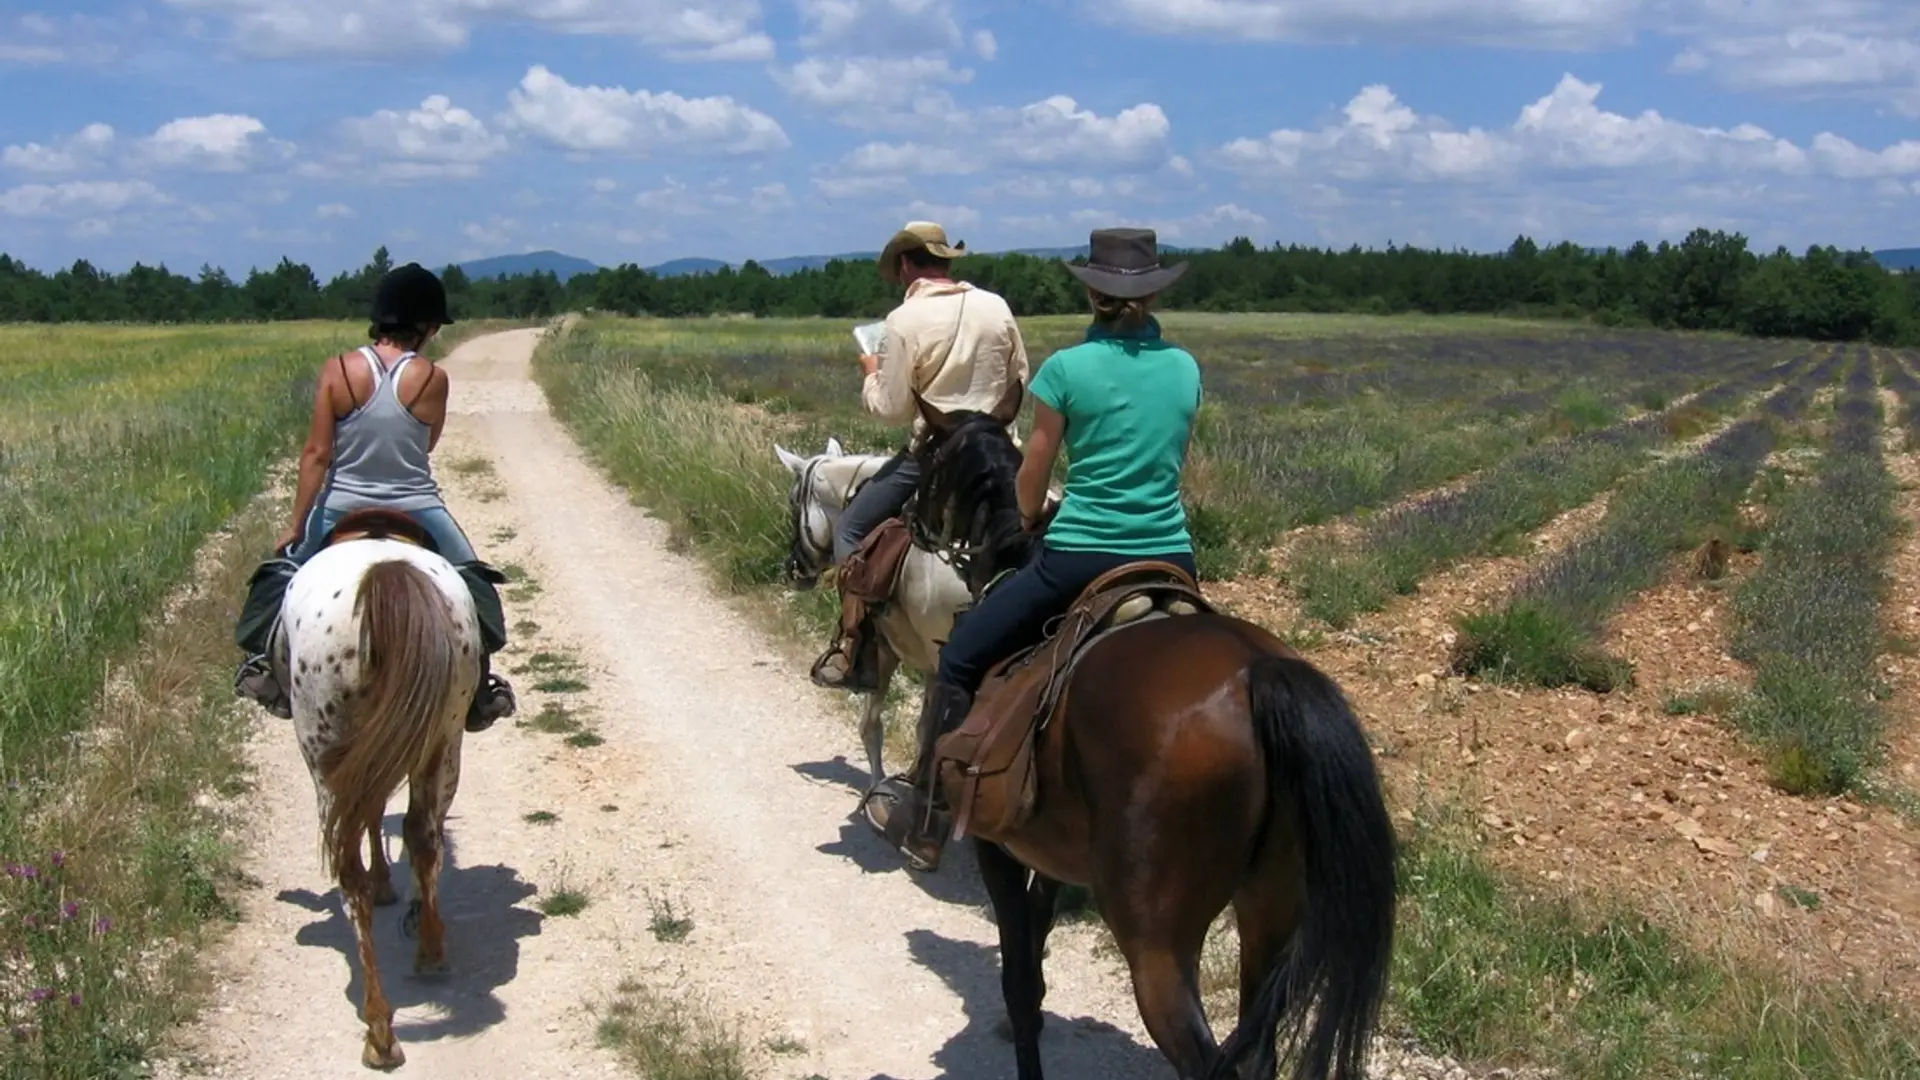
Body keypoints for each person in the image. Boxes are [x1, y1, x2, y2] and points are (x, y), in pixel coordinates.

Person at [866, 227, 1202, 871]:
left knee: (962, 658)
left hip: (1080, 554)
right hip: (1171, 557)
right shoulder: (1186, 368)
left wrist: (1024, 516)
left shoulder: (1067, 371)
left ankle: (930, 816)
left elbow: (1034, 476)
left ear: (1091, 292)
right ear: (1155, 291)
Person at [232, 262, 517, 732]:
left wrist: (296, 523)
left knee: (276, 580)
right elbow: (425, 446)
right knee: (473, 584)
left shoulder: (338, 371)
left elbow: (317, 454)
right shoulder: (433, 379)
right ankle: (479, 693)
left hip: (341, 501)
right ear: (425, 327)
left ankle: (262, 669)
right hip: (418, 504)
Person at [809, 220, 1030, 691]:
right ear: (947, 261)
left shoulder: (902, 321)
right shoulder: (997, 306)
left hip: (934, 457)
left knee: (850, 527)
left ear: (908, 264)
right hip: (1001, 452)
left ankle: (856, 644)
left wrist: (871, 372)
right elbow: (1020, 377)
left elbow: (891, 410)